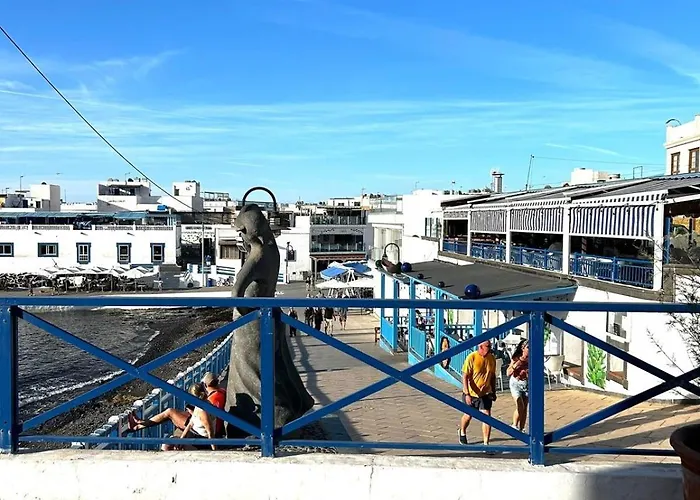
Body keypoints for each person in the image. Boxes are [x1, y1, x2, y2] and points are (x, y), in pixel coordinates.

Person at [127, 383, 216, 450]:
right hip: (195, 433)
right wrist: (182, 439)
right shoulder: (202, 405)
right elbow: (191, 424)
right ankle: (139, 424)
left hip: (200, 440)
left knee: (168, 443)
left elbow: (210, 433)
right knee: (169, 440)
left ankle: (138, 424)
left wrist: (214, 452)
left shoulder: (202, 411)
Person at [458, 340, 497, 446]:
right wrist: (467, 394)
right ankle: (462, 431)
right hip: (472, 393)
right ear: (481, 347)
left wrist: (493, 391)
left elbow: (492, 376)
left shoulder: (491, 358)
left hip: (485, 393)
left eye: (490, 346)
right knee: (468, 415)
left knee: (487, 417)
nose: (490, 348)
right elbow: (465, 376)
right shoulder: (472, 357)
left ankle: (486, 443)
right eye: (488, 346)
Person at [507, 340, 529, 432]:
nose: (530, 349)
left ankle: (522, 428)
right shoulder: (516, 358)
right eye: (528, 347)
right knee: (520, 406)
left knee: (525, 407)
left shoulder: (533, 358)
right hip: (516, 383)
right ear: (523, 348)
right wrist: (516, 365)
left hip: (527, 384)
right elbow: (508, 373)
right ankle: (514, 425)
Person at [203, 372, 227, 438]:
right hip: (222, 425)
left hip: (215, 430)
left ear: (205, 385)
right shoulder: (223, 391)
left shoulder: (211, 399)